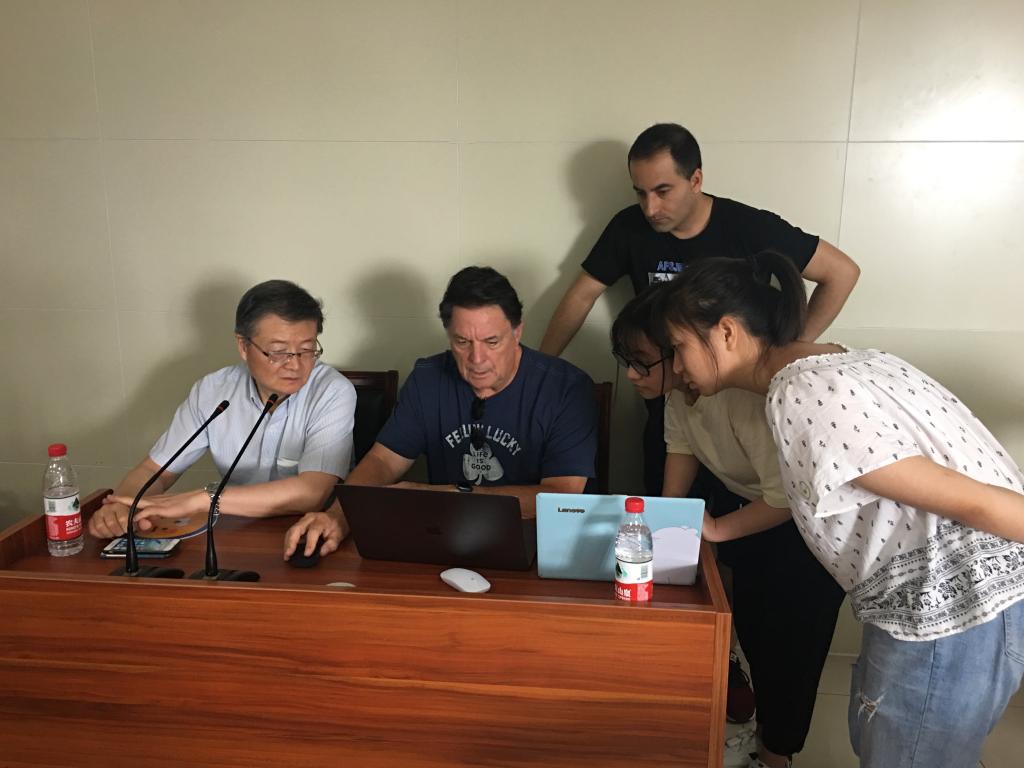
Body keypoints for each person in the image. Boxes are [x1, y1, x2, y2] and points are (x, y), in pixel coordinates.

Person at [655, 252, 1024, 768]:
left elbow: (972, 500)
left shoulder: (801, 394)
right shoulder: (854, 361)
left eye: (679, 348)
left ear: (727, 332)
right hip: (968, 606)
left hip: (948, 614)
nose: (675, 368)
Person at [540, 122, 860, 495]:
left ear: (695, 179)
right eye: (641, 193)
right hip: (670, 403)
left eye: (663, 191)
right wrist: (541, 371)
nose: (650, 209)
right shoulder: (628, 228)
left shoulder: (747, 226)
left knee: (751, 507)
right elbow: (580, 296)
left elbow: (841, 272)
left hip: (741, 411)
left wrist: (788, 354)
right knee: (665, 512)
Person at [611, 287, 845, 768]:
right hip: (754, 515)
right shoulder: (679, 399)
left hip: (805, 530)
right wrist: (665, 524)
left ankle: (776, 756)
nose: (632, 374)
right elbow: (680, 458)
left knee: (790, 655)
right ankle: (758, 738)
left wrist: (714, 529)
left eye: (642, 362)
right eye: (626, 361)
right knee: (753, 635)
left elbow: (786, 496)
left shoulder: (742, 399)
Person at [285, 266, 598, 558]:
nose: (477, 359)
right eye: (462, 342)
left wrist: (446, 494)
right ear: (448, 334)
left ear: (517, 331)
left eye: (492, 341)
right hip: (447, 542)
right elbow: (383, 461)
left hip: (539, 545)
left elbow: (561, 498)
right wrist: (339, 515)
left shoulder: (566, 388)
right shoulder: (429, 378)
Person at [88, 279, 357, 538]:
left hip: (311, 533)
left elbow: (312, 493)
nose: (295, 365)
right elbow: (153, 471)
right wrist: (122, 506)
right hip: (235, 533)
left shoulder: (332, 391)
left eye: (307, 350)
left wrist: (204, 499)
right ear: (243, 346)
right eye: (278, 351)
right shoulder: (213, 391)